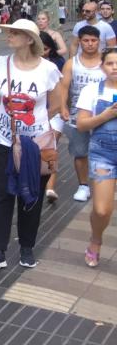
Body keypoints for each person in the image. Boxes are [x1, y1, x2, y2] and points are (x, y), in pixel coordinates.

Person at [0, 19, 62, 271]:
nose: (9, 36)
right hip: (2, 139)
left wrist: (38, 124)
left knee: (32, 194)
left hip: (36, 144)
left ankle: (27, 247)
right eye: (9, 32)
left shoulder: (48, 69)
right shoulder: (0, 64)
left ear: (29, 39)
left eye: (15, 33)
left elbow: (58, 104)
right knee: (4, 192)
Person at [74, 47, 117, 268]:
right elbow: (81, 125)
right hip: (103, 154)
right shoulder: (92, 91)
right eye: (110, 63)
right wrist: (106, 115)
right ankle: (96, 239)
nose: (115, 68)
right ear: (102, 66)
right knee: (101, 209)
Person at [58, 26, 104, 204]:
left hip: (104, 114)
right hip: (79, 115)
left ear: (99, 42)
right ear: (80, 42)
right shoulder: (72, 63)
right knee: (80, 151)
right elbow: (63, 87)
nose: (90, 44)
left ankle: (103, 184)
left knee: (103, 152)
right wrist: (63, 106)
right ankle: (83, 185)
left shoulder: (106, 62)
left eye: (94, 40)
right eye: (86, 40)